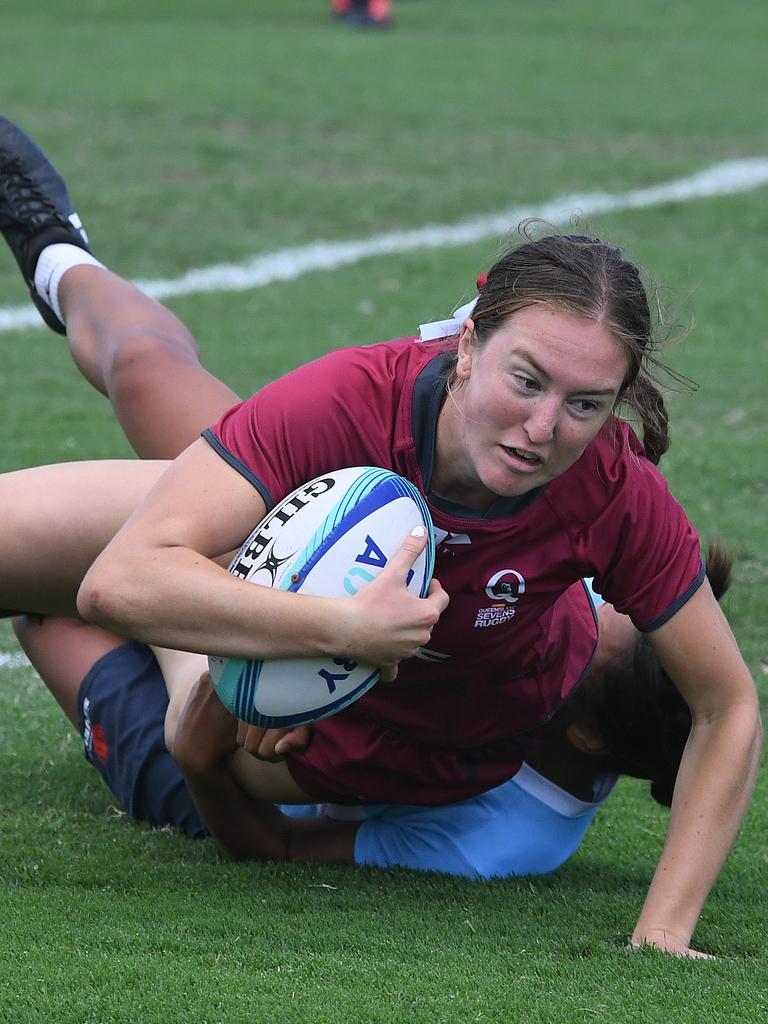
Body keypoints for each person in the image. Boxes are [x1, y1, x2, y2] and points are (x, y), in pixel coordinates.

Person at [0, 115, 761, 956]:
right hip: (293, 531)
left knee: (66, 620)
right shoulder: (355, 400)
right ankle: (57, 252)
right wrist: (337, 630)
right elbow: (124, 580)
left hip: (271, 716)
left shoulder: (610, 496)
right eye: (527, 379)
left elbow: (724, 703)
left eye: (585, 404)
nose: (545, 426)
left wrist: (662, 932)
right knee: (147, 377)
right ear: (466, 344)